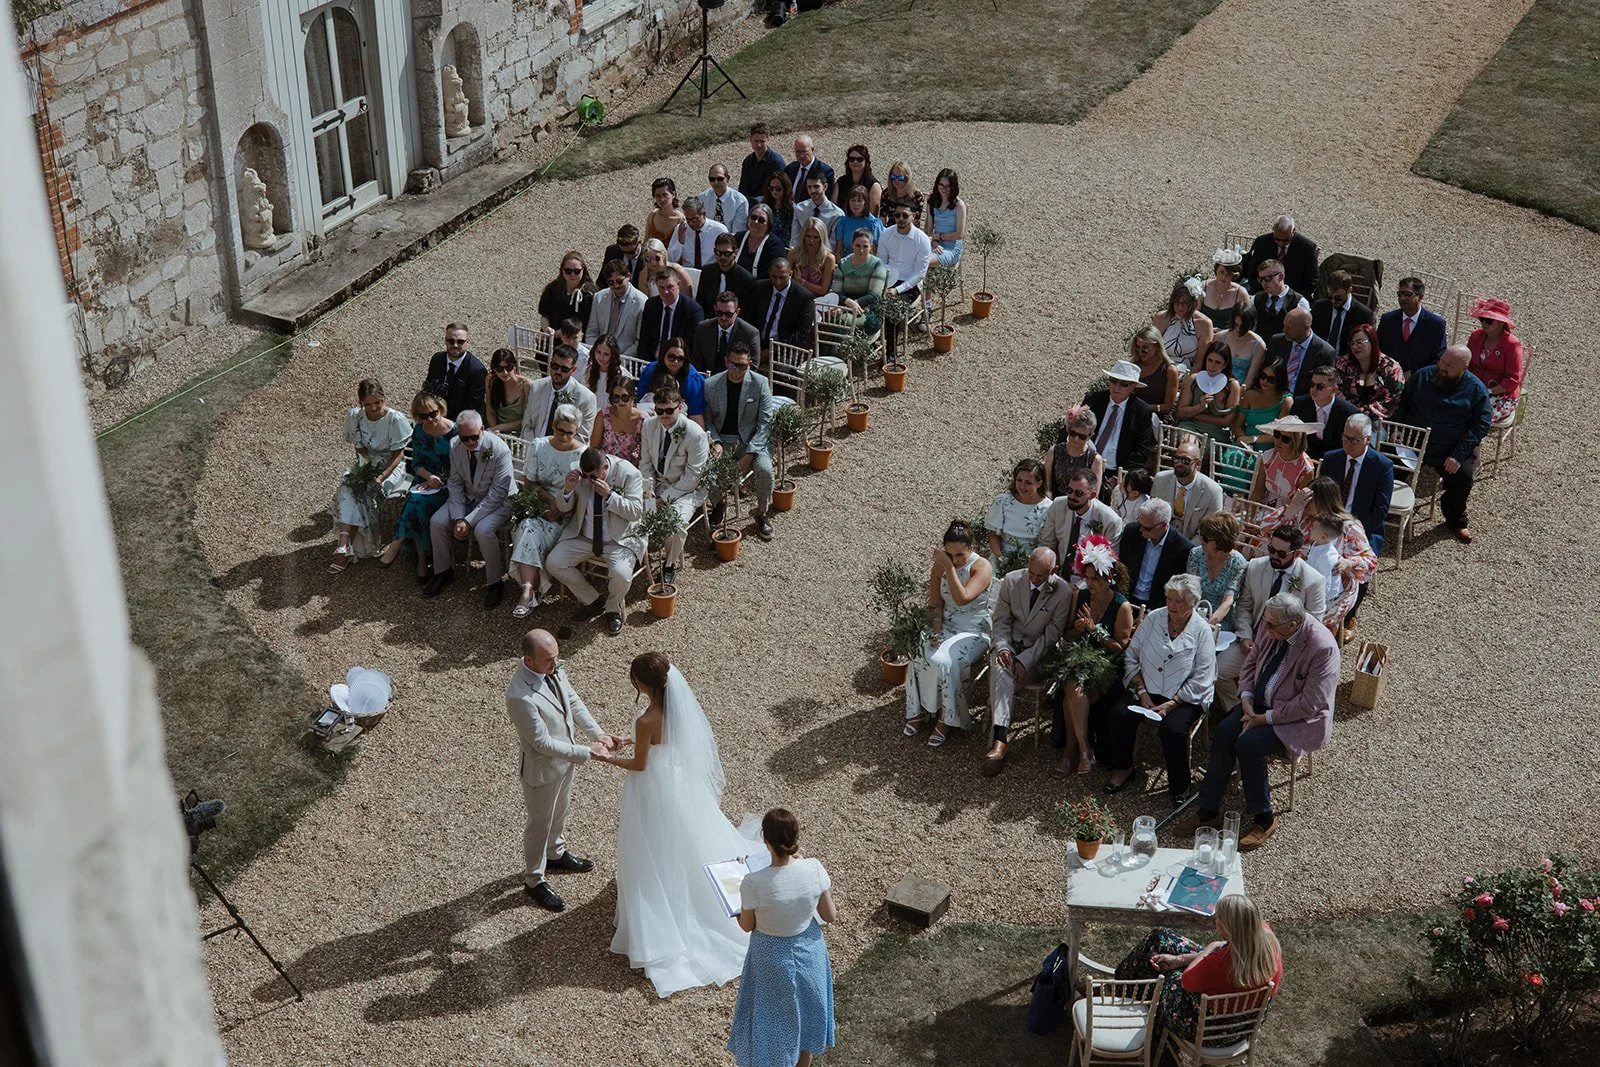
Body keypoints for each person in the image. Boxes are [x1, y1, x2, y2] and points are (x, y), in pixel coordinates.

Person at [591, 653, 756, 996]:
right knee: (689, 837)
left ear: (641, 684)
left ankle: (663, 908)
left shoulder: (647, 719)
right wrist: (627, 739)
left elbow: (639, 765)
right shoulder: (677, 711)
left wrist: (607, 758)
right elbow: (661, 743)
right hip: (677, 783)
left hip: (653, 786)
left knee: (654, 844)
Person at [1188, 594, 1336, 849]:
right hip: (1257, 704)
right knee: (1224, 732)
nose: (1265, 629)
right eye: (1265, 623)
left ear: (1293, 625)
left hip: (1294, 719)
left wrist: (1263, 719)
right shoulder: (1272, 624)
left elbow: (1309, 704)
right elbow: (1250, 664)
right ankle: (1208, 808)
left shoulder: (1322, 648)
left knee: (1249, 744)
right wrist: (1245, 699)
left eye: (1272, 625)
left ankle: (1264, 817)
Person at [506, 629, 624, 913]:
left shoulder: (554, 668)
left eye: (556, 657)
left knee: (561, 812)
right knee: (539, 823)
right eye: (548, 660)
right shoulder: (519, 696)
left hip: (565, 762)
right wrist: (588, 752)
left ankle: (556, 853)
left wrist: (598, 735)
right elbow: (541, 742)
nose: (555, 665)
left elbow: (572, 701)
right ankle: (534, 880)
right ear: (529, 661)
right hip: (542, 769)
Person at [728, 808, 837, 1067]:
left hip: (770, 959)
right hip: (809, 954)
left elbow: (747, 925)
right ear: (795, 837)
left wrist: (735, 910)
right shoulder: (814, 868)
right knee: (805, 1021)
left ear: (765, 840)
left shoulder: (753, 882)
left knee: (772, 1024)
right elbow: (829, 915)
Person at [1111, 895, 1282, 1044]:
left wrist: (1210, 947)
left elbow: (1186, 981)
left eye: (1218, 920)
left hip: (1206, 1030)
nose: (1215, 922)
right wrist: (1180, 959)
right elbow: (1225, 951)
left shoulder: (1218, 963)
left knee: (1165, 970)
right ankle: (1131, 996)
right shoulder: (1267, 943)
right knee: (1160, 938)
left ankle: (1125, 995)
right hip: (1242, 1028)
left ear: (1230, 930)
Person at [1106, 574, 1215, 803]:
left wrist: (1173, 702)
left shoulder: (1202, 631)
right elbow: (1132, 655)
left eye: (1179, 601)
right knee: (1119, 713)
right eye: (1169, 599)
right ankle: (1124, 767)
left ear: (1193, 603)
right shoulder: (1154, 618)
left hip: (1185, 696)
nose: (1172, 606)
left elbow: (1203, 676)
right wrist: (1142, 691)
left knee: (1173, 730)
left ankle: (1180, 784)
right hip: (1147, 686)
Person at [1213, 525, 1327, 711]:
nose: (1274, 556)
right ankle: (1236, 709)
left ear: (1297, 553)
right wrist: (1245, 636)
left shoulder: (1313, 581)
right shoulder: (1256, 567)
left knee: (1272, 686)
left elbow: (1313, 625)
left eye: (1281, 554)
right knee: (1218, 670)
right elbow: (1244, 606)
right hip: (1253, 641)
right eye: (1271, 549)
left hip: (1285, 649)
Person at [982, 547, 1074, 772]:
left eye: (1040, 576)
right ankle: (1001, 738)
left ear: (1054, 570)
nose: (1034, 579)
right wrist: (1004, 647)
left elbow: (1051, 635)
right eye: (1031, 573)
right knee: (1001, 666)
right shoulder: (1012, 580)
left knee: (1002, 673)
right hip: (1009, 647)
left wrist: (1024, 660)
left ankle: (999, 739)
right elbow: (1001, 621)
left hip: (1038, 657)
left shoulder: (1063, 592)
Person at [1052, 537, 1135, 777]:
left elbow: (1120, 646)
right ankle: (1084, 749)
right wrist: (1078, 630)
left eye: (1094, 579)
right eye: (1086, 578)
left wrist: (1094, 630)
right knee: (1073, 684)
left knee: (1072, 691)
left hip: (1108, 663)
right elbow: (1067, 633)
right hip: (1081, 657)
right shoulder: (1081, 596)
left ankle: (1070, 752)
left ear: (1109, 579)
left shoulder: (1122, 606)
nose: (1089, 583)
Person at [905, 521, 995, 742]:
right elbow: (936, 605)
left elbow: (962, 598)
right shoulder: (941, 566)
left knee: (946, 662)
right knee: (918, 653)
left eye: (959, 556)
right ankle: (919, 710)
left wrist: (947, 567)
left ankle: (947, 718)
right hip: (946, 625)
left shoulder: (982, 567)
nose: (955, 560)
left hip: (974, 630)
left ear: (971, 548)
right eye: (950, 555)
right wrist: (935, 632)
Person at [1394, 344, 1492, 542]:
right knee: (1385, 466)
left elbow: (1481, 424)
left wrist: (1458, 454)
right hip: (1411, 443)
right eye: (1442, 361)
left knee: (1463, 476)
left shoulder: (1476, 390)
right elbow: (1402, 403)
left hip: (1449, 449)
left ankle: (1456, 519)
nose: (1442, 367)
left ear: (1464, 368)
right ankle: (1385, 507)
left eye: (1449, 366)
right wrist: (1397, 428)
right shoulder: (1422, 376)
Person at [545, 447, 647, 635]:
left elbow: (635, 512)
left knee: (622, 575)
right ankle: (592, 600)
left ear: (605, 467)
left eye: (592, 476)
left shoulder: (630, 474)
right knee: (554, 562)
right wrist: (567, 489)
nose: (588, 479)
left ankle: (612, 608)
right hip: (583, 536)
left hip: (620, 540)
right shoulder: (581, 474)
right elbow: (562, 507)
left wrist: (610, 496)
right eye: (585, 475)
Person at [424, 409, 516, 606]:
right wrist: (458, 518)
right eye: (465, 438)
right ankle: (443, 571)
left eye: (474, 437)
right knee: (437, 522)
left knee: (483, 530)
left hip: (499, 502)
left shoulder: (500, 450)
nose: (470, 442)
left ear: (482, 429)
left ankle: (495, 583)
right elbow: (455, 483)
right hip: (467, 497)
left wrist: (468, 520)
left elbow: (497, 493)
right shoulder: (455, 445)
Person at [1267, 477, 1378, 634]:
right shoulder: (1299, 514)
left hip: (1334, 591)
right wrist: (1290, 510)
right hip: (1295, 578)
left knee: (1305, 623)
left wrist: (1349, 562)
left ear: (1323, 501)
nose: (1306, 505)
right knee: (1274, 609)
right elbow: (1264, 530)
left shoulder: (1348, 527)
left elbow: (1371, 562)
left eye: (1310, 501)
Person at [508, 405, 587, 618]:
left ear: (576, 431)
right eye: (560, 430)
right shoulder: (539, 445)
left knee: (527, 529)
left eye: (569, 433)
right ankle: (529, 589)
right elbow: (529, 483)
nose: (564, 436)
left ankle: (527, 591)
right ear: (553, 426)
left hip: (567, 514)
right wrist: (551, 501)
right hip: (539, 504)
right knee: (526, 525)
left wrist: (560, 509)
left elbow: (582, 495)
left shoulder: (581, 454)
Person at [329, 379, 410, 572]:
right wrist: (365, 470)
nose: (373, 408)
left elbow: (398, 454)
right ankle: (345, 543)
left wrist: (381, 476)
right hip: (368, 462)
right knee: (348, 486)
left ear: (384, 398)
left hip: (391, 468)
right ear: (361, 403)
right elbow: (359, 449)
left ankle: (346, 547)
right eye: (368, 404)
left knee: (365, 492)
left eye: (377, 402)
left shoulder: (395, 419)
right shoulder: (355, 417)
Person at [703, 343, 776, 540]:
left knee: (766, 471)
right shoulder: (711, 384)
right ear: (726, 362)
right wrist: (715, 442)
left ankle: (761, 512)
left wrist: (749, 455)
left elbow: (765, 423)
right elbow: (707, 420)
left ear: (750, 364)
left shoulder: (760, 383)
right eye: (733, 365)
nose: (736, 370)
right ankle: (718, 505)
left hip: (753, 441)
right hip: (723, 440)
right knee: (706, 468)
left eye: (742, 366)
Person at [379, 392, 454, 579]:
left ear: (441, 409)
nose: (429, 419)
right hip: (424, 479)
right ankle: (422, 561)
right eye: (423, 416)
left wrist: (439, 480)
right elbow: (416, 463)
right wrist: (428, 477)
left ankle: (397, 544)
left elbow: (461, 468)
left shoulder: (455, 432)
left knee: (415, 504)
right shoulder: (420, 431)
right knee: (416, 502)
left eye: (433, 414)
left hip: (448, 484)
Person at [639, 387, 710, 586]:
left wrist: (663, 499)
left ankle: (669, 564)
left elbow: (692, 478)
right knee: (638, 512)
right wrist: (648, 490)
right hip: (658, 485)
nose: (664, 416)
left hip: (687, 490)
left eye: (669, 411)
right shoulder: (648, 426)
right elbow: (645, 463)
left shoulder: (695, 434)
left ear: (680, 408)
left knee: (676, 525)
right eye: (659, 411)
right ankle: (640, 553)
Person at [1319, 413, 1394, 558]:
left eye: (1355, 440)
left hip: (1362, 528)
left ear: (1368, 440)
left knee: (1353, 571)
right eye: (1345, 437)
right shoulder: (1331, 459)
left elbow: (1380, 511)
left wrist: (1351, 530)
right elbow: (1322, 497)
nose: (1348, 443)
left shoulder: (1382, 466)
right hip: (1330, 524)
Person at [1084, 360, 1159, 502]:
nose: (1116, 387)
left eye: (1123, 384)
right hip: (1085, 462)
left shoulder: (1142, 412)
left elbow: (1140, 452)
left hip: (1115, 470)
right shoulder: (1095, 400)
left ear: (1132, 387)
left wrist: (1118, 476)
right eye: (1113, 381)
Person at [877, 202, 933, 362]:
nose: (900, 219)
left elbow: (919, 273)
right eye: (897, 215)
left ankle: (890, 352)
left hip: (909, 285)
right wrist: (886, 285)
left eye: (905, 215)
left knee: (892, 310)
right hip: (888, 280)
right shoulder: (886, 234)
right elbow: (881, 262)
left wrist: (897, 290)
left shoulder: (922, 240)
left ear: (913, 216)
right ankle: (872, 343)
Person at [1117, 497, 1194, 611]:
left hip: (1156, 606)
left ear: (1163, 525)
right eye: (1140, 524)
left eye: (1147, 528)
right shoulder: (1131, 532)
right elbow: (1121, 569)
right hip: (1126, 599)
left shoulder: (1182, 548)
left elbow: (1174, 586)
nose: (1141, 530)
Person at [1042, 469, 1123, 577]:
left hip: (1088, 581)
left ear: (1092, 495)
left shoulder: (1110, 521)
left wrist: (1081, 588)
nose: (1071, 496)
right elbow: (1046, 543)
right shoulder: (1058, 505)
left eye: (1078, 493)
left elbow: (1109, 562)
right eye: (1069, 490)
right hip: (1058, 575)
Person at [1465, 297, 1525, 423]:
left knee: (1476, 418)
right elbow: (1467, 365)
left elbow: (1513, 380)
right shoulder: (1476, 336)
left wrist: (1488, 392)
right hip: (1474, 388)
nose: (1484, 324)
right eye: (1482, 319)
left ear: (1501, 323)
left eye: (1489, 321)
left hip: (1500, 395)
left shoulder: (1512, 344)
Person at [523, 344, 599, 443]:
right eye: (555, 366)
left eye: (564, 369)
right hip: (534, 446)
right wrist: (533, 446)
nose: (558, 372)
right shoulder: (537, 386)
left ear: (573, 370)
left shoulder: (586, 398)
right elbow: (527, 424)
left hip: (565, 452)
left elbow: (581, 438)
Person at [1152, 434, 1224, 540]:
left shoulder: (1213, 491)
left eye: (1185, 461)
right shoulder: (1160, 479)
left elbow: (1209, 531)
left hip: (1191, 545)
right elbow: (1152, 516)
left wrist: (1187, 550)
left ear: (1197, 464)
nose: (1179, 464)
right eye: (1176, 459)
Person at [1187, 512, 1247, 634]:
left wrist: (1206, 627)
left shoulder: (1238, 563)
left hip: (1221, 620)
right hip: (1193, 614)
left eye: (1206, 538)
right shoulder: (1196, 554)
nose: (1201, 540)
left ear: (1221, 540)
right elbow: (1190, 591)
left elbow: (1228, 601)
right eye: (1201, 535)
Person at [1172, 341, 1239, 451]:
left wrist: (1197, 416)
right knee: (1190, 442)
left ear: (1225, 364)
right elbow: (1181, 412)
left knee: (1200, 448)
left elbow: (1227, 421)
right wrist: (1200, 407)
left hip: (1216, 434)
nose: (1212, 366)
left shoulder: (1232, 386)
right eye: (1210, 360)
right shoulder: (1194, 379)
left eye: (1217, 362)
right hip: (1190, 427)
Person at [985, 458, 1053, 566]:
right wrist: (1000, 557)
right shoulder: (1003, 501)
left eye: (1028, 483)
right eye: (1019, 480)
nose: (1022, 486)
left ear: (1039, 483)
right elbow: (993, 535)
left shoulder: (1049, 508)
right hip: (1002, 557)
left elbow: (1047, 543)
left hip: (1032, 562)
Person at [1377, 276, 1448, 374]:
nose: (1402, 298)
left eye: (1407, 294)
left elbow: (1439, 357)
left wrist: (1418, 375)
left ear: (1421, 296)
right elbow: (1377, 349)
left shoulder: (1435, 324)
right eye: (1400, 294)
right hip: (1387, 375)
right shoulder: (1387, 319)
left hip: (1419, 380)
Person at [1335, 322, 1407, 420]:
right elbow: (1337, 390)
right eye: (1352, 343)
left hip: (1378, 420)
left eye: (1359, 342)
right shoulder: (1344, 363)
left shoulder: (1391, 368)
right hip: (1346, 415)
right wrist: (1350, 412)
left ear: (1372, 342)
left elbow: (1391, 400)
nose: (1355, 347)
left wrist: (1361, 414)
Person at [751, 259, 817, 354]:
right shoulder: (760, 288)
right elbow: (750, 319)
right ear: (769, 273)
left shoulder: (803, 297)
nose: (778, 282)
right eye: (774, 277)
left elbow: (801, 335)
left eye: (782, 278)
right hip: (757, 344)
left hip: (785, 350)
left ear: (790, 274)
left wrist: (773, 352)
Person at [637, 269, 705, 362]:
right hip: (653, 362)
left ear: (679, 285)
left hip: (677, 363)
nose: (666, 292)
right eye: (661, 288)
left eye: (670, 287)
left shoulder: (692, 311)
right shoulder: (651, 305)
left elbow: (691, 348)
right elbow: (644, 340)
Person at [1287, 364, 1356, 456]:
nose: (1313, 389)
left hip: (1334, 460)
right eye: (1312, 384)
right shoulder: (1300, 404)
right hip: (1304, 457)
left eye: (1320, 386)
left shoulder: (1349, 413)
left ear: (1334, 390)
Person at [829, 228, 887, 334]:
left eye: (865, 247)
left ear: (871, 247)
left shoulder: (877, 264)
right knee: (830, 320)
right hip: (844, 305)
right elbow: (836, 292)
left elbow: (874, 295)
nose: (861, 250)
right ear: (852, 245)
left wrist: (850, 306)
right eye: (857, 245)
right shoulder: (843, 263)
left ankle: (843, 350)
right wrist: (847, 302)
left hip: (868, 309)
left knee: (843, 321)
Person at [1249, 417, 1318, 507]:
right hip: (1265, 508)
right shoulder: (1268, 456)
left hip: (1289, 513)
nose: (1279, 441)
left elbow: (1297, 506)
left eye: (1286, 439)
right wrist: (1249, 514)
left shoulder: (1306, 469)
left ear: (1296, 442)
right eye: (1277, 434)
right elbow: (1258, 492)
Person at [1243, 214, 1318, 296]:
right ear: (1273, 230)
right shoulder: (1262, 243)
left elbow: (1312, 280)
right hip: (1263, 294)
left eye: (1286, 240)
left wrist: (1293, 299)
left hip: (1293, 297)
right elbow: (1253, 273)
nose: (1281, 243)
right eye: (1277, 239)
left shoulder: (1307, 248)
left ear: (1293, 231)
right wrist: (1263, 295)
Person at [1266, 307, 1335, 397]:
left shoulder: (1324, 353)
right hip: (1273, 397)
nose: (1284, 330)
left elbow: (1322, 388)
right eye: (1284, 325)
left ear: (1306, 328)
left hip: (1302, 403)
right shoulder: (1277, 341)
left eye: (1289, 328)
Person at [424, 322, 487, 419]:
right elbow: (428, 391)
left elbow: (473, 408)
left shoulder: (476, 370)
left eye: (460, 342)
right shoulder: (437, 359)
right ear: (445, 341)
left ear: (467, 342)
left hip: (461, 421)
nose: (455, 345)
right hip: (434, 416)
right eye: (451, 341)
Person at [637, 338, 707, 426]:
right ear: (663, 355)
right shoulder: (650, 371)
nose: (675, 361)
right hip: (650, 419)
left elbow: (696, 415)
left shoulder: (692, 380)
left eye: (680, 358)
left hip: (679, 423)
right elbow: (640, 401)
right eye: (671, 357)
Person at [587, 259, 648, 358]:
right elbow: (592, 332)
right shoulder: (599, 297)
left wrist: (620, 360)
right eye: (611, 282)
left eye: (619, 281)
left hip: (624, 359)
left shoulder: (641, 302)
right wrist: (597, 354)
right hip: (599, 357)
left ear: (628, 276)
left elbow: (639, 341)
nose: (615, 285)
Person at [1043, 405, 1106, 499]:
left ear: (1090, 436)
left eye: (1082, 436)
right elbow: (1046, 486)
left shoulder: (1094, 459)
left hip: (1080, 506)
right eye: (1073, 433)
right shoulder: (1054, 451)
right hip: (1054, 502)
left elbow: (1094, 494)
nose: (1076, 439)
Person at [694, 289, 763, 375]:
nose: (723, 318)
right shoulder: (703, 328)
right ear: (715, 309)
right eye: (719, 313)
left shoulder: (750, 333)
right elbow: (697, 361)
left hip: (737, 379)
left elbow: (753, 368)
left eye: (728, 314)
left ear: (737, 312)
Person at [1153, 279, 1214, 374]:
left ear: (1193, 303)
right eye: (1177, 302)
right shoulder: (1161, 318)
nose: (1180, 307)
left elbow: (1200, 362)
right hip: (1161, 368)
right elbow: (1153, 350)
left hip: (1188, 371)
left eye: (1185, 303)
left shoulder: (1204, 324)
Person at [1230, 358, 1291, 451]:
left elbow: (1281, 434)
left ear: (1279, 380)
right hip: (1244, 448)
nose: (1265, 381)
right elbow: (1238, 425)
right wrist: (1245, 443)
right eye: (1262, 376)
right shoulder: (1249, 395)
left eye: (1271, 379)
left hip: (1270, 451)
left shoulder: (1286, 401)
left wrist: (1253, 439)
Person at [1310, 269, 1375, 355]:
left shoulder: (1363, 315)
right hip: (1320, 356)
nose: (1333, 301)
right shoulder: (1320, 307)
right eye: (1330, 297)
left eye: (1338, 298)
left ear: (1349, 290)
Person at [1250, 259, 1311, 345]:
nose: (1263, 283)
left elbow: (1302, 334)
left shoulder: (1299, 302)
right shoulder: (1256, 299)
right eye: (1260, 279)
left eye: (1267, 278)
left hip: (1285, 350)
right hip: (1259, 348)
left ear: (1281, 276)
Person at [696, 233, 757, 317]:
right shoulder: (707, 272)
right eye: (718, 252)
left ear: (735, 252)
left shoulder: (746, 279)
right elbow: (700, 303)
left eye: (727, 253)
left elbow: (746, 313)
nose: (722, 257)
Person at [667, 194, 729, 270]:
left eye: (694, 219)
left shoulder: (719, 230)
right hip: (689, 273)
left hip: (712, 272)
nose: (691, 223)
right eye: (688, 219)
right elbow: (671, 259)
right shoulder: (681, 229)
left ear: (704, 214)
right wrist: (680, 241)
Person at [537, 251, 595, 331]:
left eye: (577, 271)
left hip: (575, 338)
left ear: (583, 270)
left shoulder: (588, 293)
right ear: (562, 270)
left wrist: (557, 334)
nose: (572, 274)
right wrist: (547, 329)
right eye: (568, 271)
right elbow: (545, 314)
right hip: (550, 335)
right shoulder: (553, 287)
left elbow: (582, 322)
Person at [1130, 325, 1181, 415]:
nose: (1140, 352)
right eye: (1137, 348)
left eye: (1145, 349)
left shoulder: (1170, 370)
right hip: (1133, 412)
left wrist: (1141, 408)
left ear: (1157, 346)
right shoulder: (1133, 366)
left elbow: (1167, 407)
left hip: (1155, 415)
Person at [595, 374, 643, 466]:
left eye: (625, 397)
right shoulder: (603, 415)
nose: (620, 401)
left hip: (630, 467)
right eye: (616, 398)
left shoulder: (642, 420)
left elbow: (643, 454)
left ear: (633, 396)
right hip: (604, 465)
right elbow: (594, 448)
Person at [1200, 248, 1251, 330]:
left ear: (1234, 275)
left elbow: (1245, 322)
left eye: (1229, 274)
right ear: (1216, 270)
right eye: (1221, 272)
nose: (1224, 277)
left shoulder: (1240, 293)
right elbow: (1194, 314)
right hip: (1203, 334)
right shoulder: (1203, 287)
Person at [923, 168, 965, 267]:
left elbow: (959, 234)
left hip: (951, 248)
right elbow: (928, 231)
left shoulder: (959, 205)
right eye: (941, 185)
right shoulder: (932, 202)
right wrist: (935, 242)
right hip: (934, 243)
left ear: (953, 187)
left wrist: (939, 236)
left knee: (924, 261)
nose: (943, 189)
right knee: (911, 255)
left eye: (947, 186)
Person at [788, 216, 836, 301]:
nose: (811, 241)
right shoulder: (793, 254)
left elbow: (823, 290)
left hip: (818, 302)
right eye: (808, 236)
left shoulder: (828, 259)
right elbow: (785, 278)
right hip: (795, 298)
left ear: (822, 238)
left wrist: (801, 281)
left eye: (815, 237)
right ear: (803, 236)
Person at [484, 347, 531, 435]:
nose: (505, 373)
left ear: (515, 366)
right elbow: (490, 411)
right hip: (497, 430)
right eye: (499, 369)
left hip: (520, 431)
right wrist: (495, 432)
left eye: (508, 368)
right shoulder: (491, 381)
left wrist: (500, 428)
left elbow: (527, 418)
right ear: (494, 369)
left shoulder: (526, 385)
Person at [736, 204, 785, 282]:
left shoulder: (775, 246)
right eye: (753, 217)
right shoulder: (738, 238)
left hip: (760, 288)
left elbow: (771, 275)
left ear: (768, 224)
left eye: (761, 220)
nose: (756, 222)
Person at [738, 121, 785, 201]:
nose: (759, 145)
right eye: (756, 141)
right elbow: (743, 187)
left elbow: (776, 190)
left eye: (762, 141)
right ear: (750, 139)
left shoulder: (776, 163)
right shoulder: (748, 161)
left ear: (768, 140)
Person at [832, 185, 882, 259]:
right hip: (847, 262)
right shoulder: (843, 222)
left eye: (859, 200)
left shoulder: (873, 224)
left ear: (865, 202)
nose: (856, 204)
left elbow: (873, 252)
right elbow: (839, 250)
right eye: (853, 200)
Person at [1223, 302, 1267, 385]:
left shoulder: (1258, 345)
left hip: (1240, 389)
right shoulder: (1220, 337)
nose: (1238, 329)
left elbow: (1250, 379)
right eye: (1236, 324)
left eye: (1243, 326)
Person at [835, 144, 882, 217]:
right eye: (852, 159)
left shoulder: (874, 185)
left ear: (866, 162)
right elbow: (834, 207)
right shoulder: (841, 182)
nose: (855, 162)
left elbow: (874, 214)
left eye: (859, 159)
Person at [792, 173, 843, 242]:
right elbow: (795, 236)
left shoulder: (837, 214)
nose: (812, 190)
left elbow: (833, 243)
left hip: (825, 251)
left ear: (825, 187)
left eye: (816, 187)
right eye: (809, 187)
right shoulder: (800, 208)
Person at [700, 162, 749, 233]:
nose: (716, 182)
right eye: (712, 179)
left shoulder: (740, 202)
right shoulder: (703, 198)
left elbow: (738, 232)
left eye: (720, 179)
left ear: (728, 179)